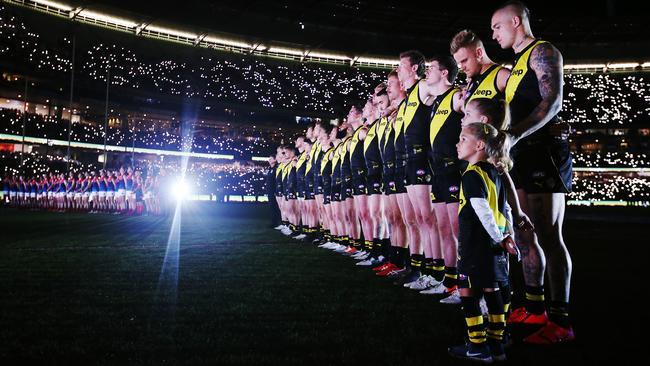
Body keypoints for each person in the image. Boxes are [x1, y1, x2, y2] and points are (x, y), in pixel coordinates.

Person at [491, 1, 575, 343]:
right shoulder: (517, 63)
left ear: (515, 21)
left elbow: (551, 101)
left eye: (497, 27)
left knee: (550, 235)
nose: (494, 34)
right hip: (523, 155)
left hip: (543, 154)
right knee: (526, 232)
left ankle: (561, 321)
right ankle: (536, 306)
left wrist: (512, 135)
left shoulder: (543, 51)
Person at [449, 122, 519, 363]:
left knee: (467, 288)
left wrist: (501, 237)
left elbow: (483, 211)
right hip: (495, 245)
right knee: (493, 289)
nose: (458, 144)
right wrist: (508, 236)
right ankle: (497, 346)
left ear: (479, 145)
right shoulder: (494, 173)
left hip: (476, 244)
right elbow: (506, 208)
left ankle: (477, 346)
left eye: (463, 139)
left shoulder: (472, 174)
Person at [266, 154, 282, 229]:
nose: (269, 160)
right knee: (272, 207)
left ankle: (278, 222)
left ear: (275, 160)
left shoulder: (276, 169)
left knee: (276, 207)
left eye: (271, 159)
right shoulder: (270, 169)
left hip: (274, 191)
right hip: (269, 191)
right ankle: (274, 222)